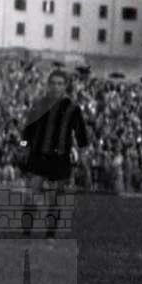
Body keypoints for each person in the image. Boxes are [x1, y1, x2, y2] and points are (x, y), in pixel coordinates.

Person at [17, 66, 90, 237]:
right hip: (38, 156)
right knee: (32, 193)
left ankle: (50, 233)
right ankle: (26, 231)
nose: (56, 87)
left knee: (55, 198)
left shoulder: (73, 108)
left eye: (60, 84)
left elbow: (81, 135)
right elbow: (27, 130)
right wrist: (23, 147)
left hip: (60, 158)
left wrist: (82, 156)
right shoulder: (39, 105)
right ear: (48, 85)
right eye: (53, 83)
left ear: (65, 86)